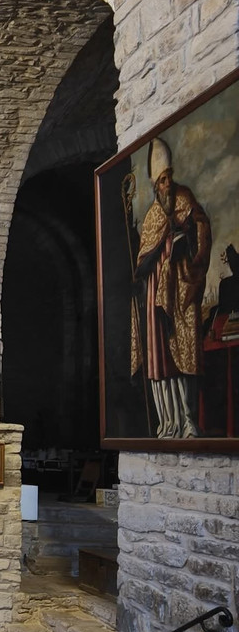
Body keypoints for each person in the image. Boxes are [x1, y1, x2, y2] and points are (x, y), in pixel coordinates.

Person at [132, 137, 212, 438]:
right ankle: (169, 422)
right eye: (160, 182)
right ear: (155, 186)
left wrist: (187, 242)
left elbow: (202, 227)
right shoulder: (153, 215)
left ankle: (189, 420)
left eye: (168, 179)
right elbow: (142, 261)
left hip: (183, 283)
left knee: (187, 350)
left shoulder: (185, 198)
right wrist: (161, 247)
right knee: (161, 359)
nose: (166, 185)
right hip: (157, 293)